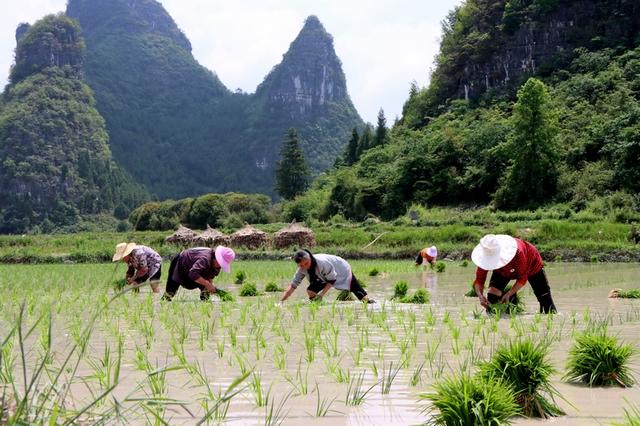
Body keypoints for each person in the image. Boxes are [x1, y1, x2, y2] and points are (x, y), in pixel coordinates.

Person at [471, 234, 557, 313]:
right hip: (502, 271)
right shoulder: (484, 258)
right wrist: (480, 296)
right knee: (492, 298)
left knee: (546, 302)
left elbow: (522, 278)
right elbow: (479, 280)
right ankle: (506, 319)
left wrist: (509, 294)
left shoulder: (517, 253)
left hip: (532, 266)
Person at [280, 249, 375, 304]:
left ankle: (371, 303)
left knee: (358, 293)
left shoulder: (322, 263)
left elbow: (332, 280)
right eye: (301, 265)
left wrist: (321, 294)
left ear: (310, 259)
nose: (305, 266)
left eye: (306, 263)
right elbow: (293, 286)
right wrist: (281, 302)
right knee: (310, 291)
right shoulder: (302, 269)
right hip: (323, 276)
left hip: (341, 269)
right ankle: (318, 306)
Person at [161, 246, 235, 301]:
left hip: (195, 270)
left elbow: (210, 276)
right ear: (216, 257)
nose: (220, 266)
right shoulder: (205, 258)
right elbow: (193, 273)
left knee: (206, 293)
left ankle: (204, 307)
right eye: (220, 262)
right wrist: (208, 284)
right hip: (181, 262)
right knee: (170, 292)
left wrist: (210, 286)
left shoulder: (217, 265)